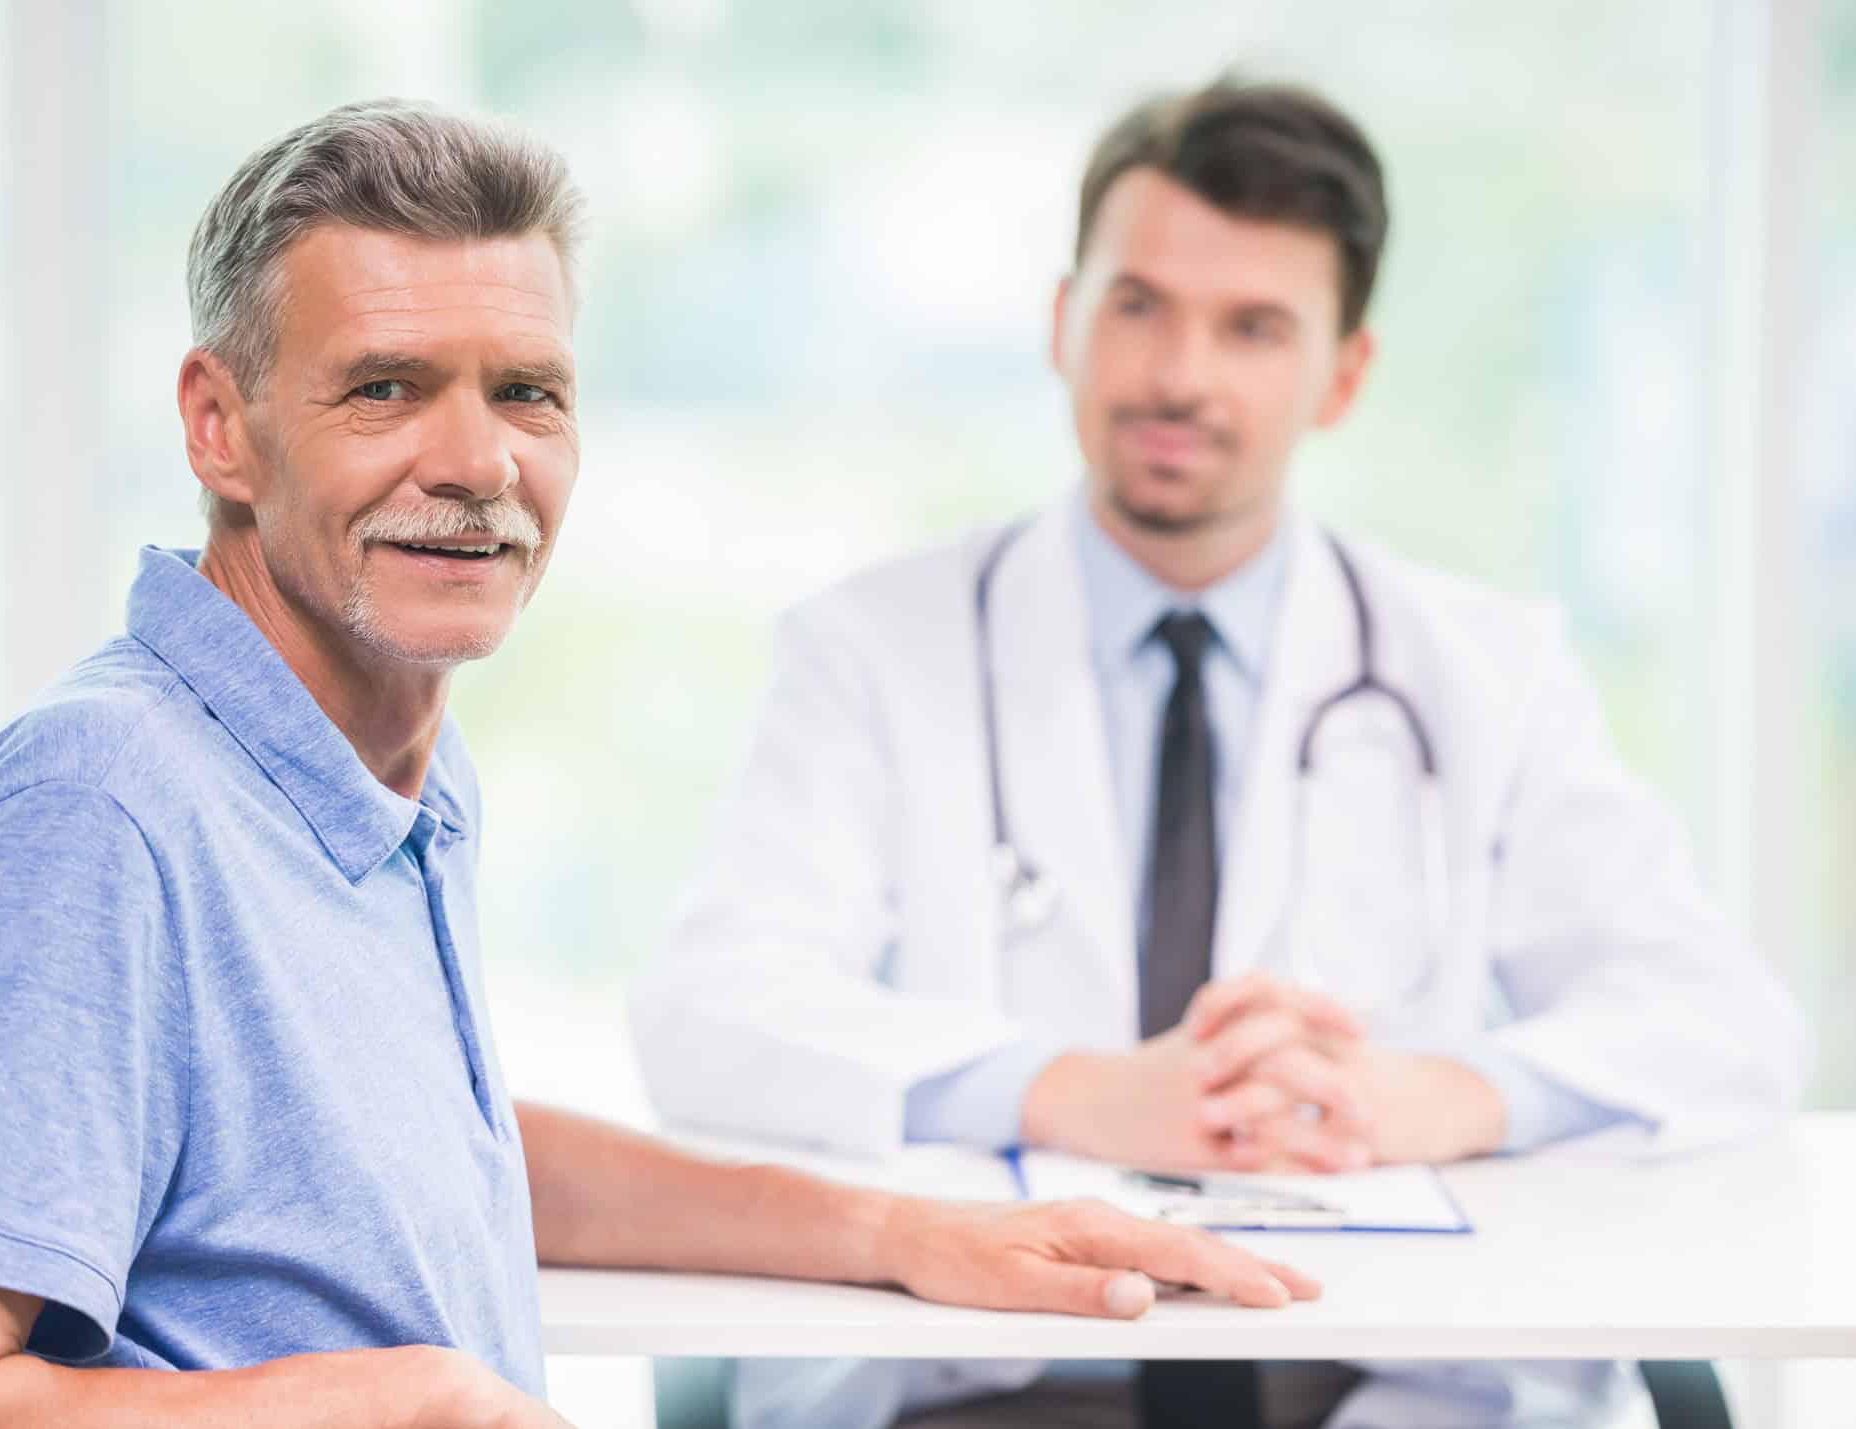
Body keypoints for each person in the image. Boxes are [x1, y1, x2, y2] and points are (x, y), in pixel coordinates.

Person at [0, 99, 1322, 1429]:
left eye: (527, 390)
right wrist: (411, 1397)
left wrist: (899, 1228)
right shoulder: (103, 808)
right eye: (385, 386)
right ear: (223, 426)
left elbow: (437, 1155)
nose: (478, 463)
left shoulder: (373, 763)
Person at [631, 78, 1808, 1428]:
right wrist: (1078, 1094)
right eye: (1139, 305)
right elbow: (708, 1006)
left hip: (1389, 1388)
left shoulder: (1488, 667)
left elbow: (1725, 1023)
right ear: (1063, 322)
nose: (1179, 375)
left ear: (1343, 375)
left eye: (1253, 326)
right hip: (988, 1384)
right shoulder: (871, 649)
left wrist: (1443, 1095)